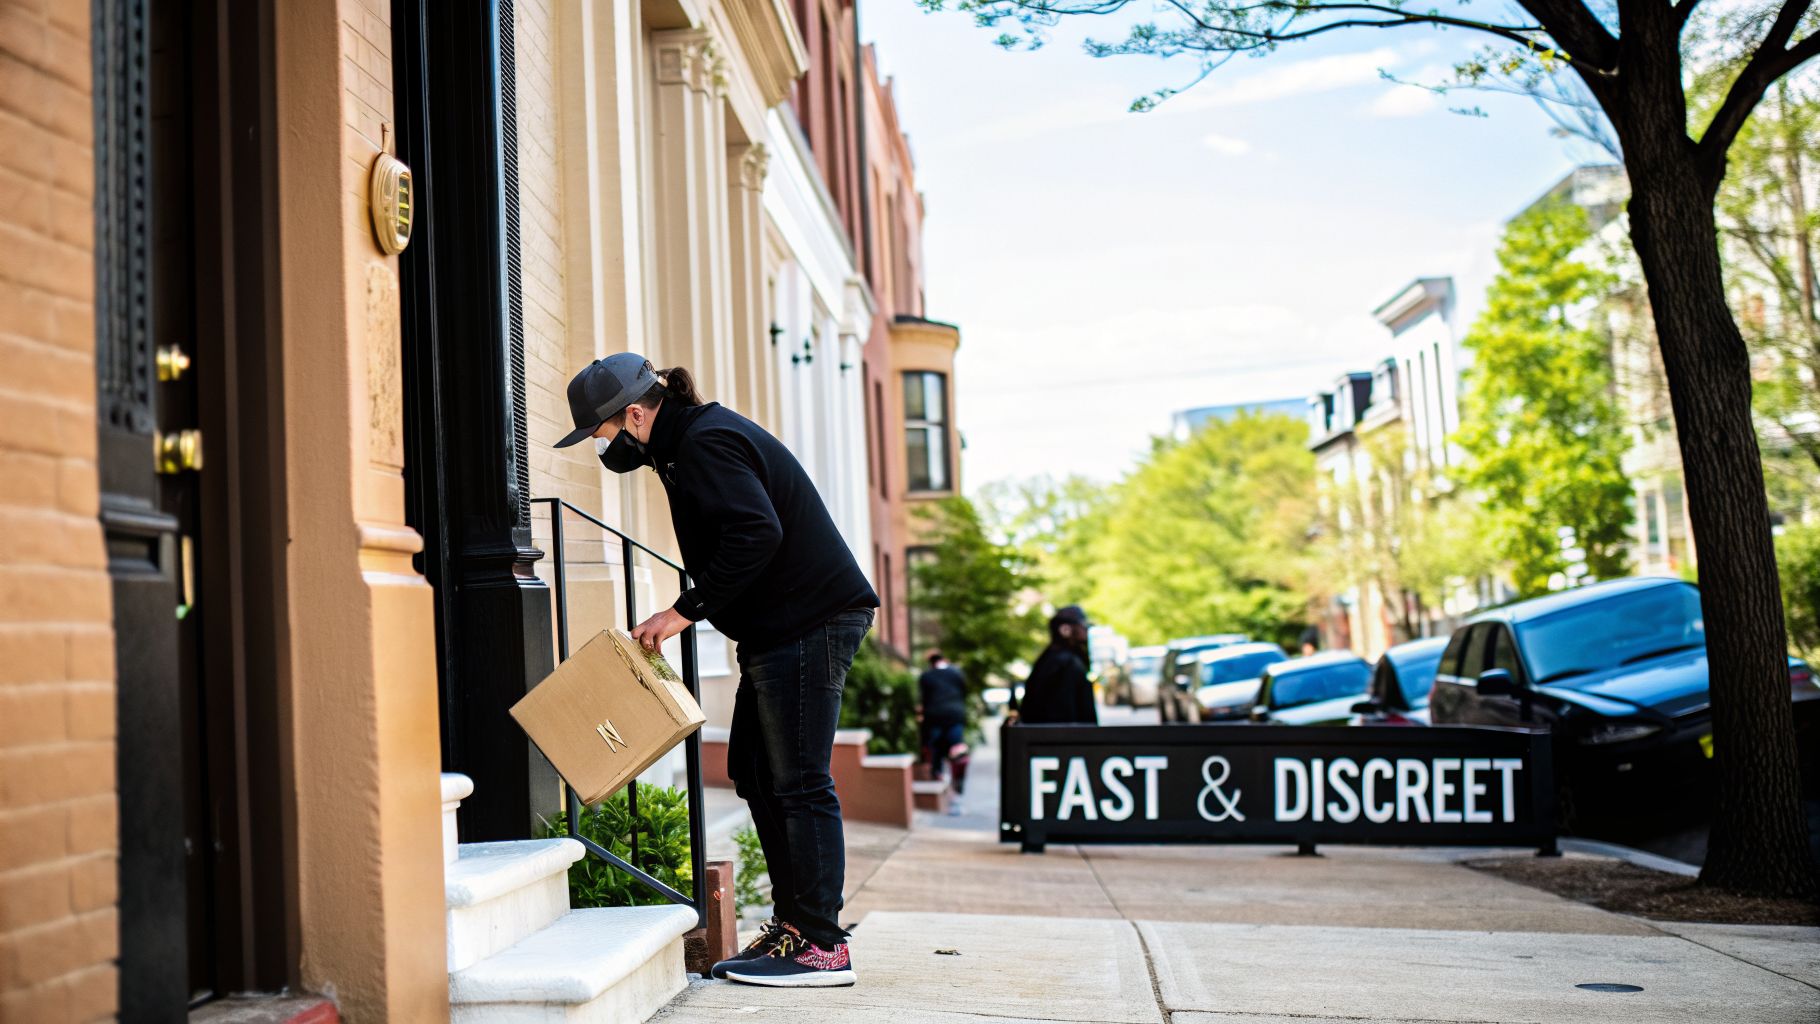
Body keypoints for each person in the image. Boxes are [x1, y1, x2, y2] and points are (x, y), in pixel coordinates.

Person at [555, 353, 877, 988]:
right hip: (779, 628)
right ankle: (796, 928)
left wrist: (682, 612)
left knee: (800, 781)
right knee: (755, 773)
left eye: (603, 433)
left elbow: (757, 533)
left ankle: (820, 945)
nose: (606, 450)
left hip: (809, 621)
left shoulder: (705, 441)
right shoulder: (686, 444)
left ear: (636, 414)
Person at [1012, 606, 1099, 725]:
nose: (1086, 629)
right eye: (1082, 624)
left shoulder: (1049, 659)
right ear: (1065, 629)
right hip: (1062, 740)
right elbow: (1067, 717)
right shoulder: (1066, 663)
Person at [917, 651, 969, 812]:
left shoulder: (926, 676)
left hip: (934, 717)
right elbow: (964, 692)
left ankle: (939, 776)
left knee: (936, 750)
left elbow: (923, 699)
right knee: (957, 752)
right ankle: (958, 790)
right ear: (944, 660)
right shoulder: (956, 673)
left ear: (931, 662)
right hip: (955, 715)